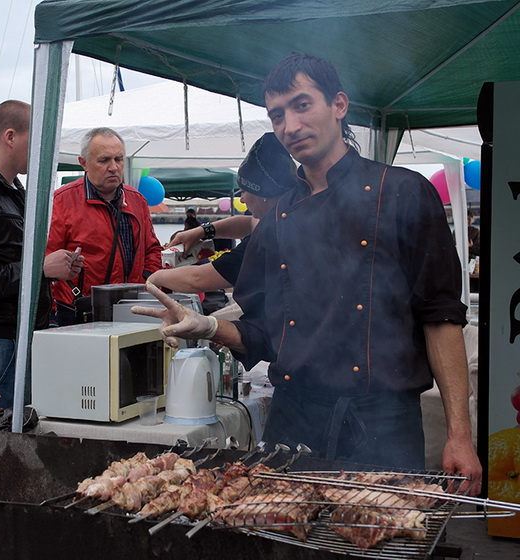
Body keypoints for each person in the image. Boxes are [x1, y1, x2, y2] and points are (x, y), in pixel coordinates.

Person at [134, 53, 481, 493]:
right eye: (277, 115)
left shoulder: (402, 193)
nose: (289, 126)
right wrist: (207, 327)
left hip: (383, 422)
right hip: (295, 419)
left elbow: (442, 316)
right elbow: (262, 334)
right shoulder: (278, 218)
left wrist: (459, 435)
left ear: (338, 104)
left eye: (302, 105)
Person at [0, 100, 83, 411]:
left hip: (15, 338)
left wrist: (54, 267)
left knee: (16, 438)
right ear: (10, 137)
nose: (41, 151)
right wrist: (41, 270)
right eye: (36, 141)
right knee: (2, 444)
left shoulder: (10, 190)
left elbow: (11, 262)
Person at [149, 133, 298, 294]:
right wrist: (201, 231)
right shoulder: (287, 214)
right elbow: (248, 223)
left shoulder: (271, 236)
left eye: (243, 192)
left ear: (262, 194)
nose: (241, 200)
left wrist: (155, 277)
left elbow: (198, 280)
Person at [46, 127, 162, 325]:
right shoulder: (61, 201)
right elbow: (47, 261)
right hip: (77, 311)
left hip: (129, 307)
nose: (114, 167)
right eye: (104, 160)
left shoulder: (137, 200)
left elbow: (151, 250)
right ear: (84, 163)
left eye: (118, 159)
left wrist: (143, 282)